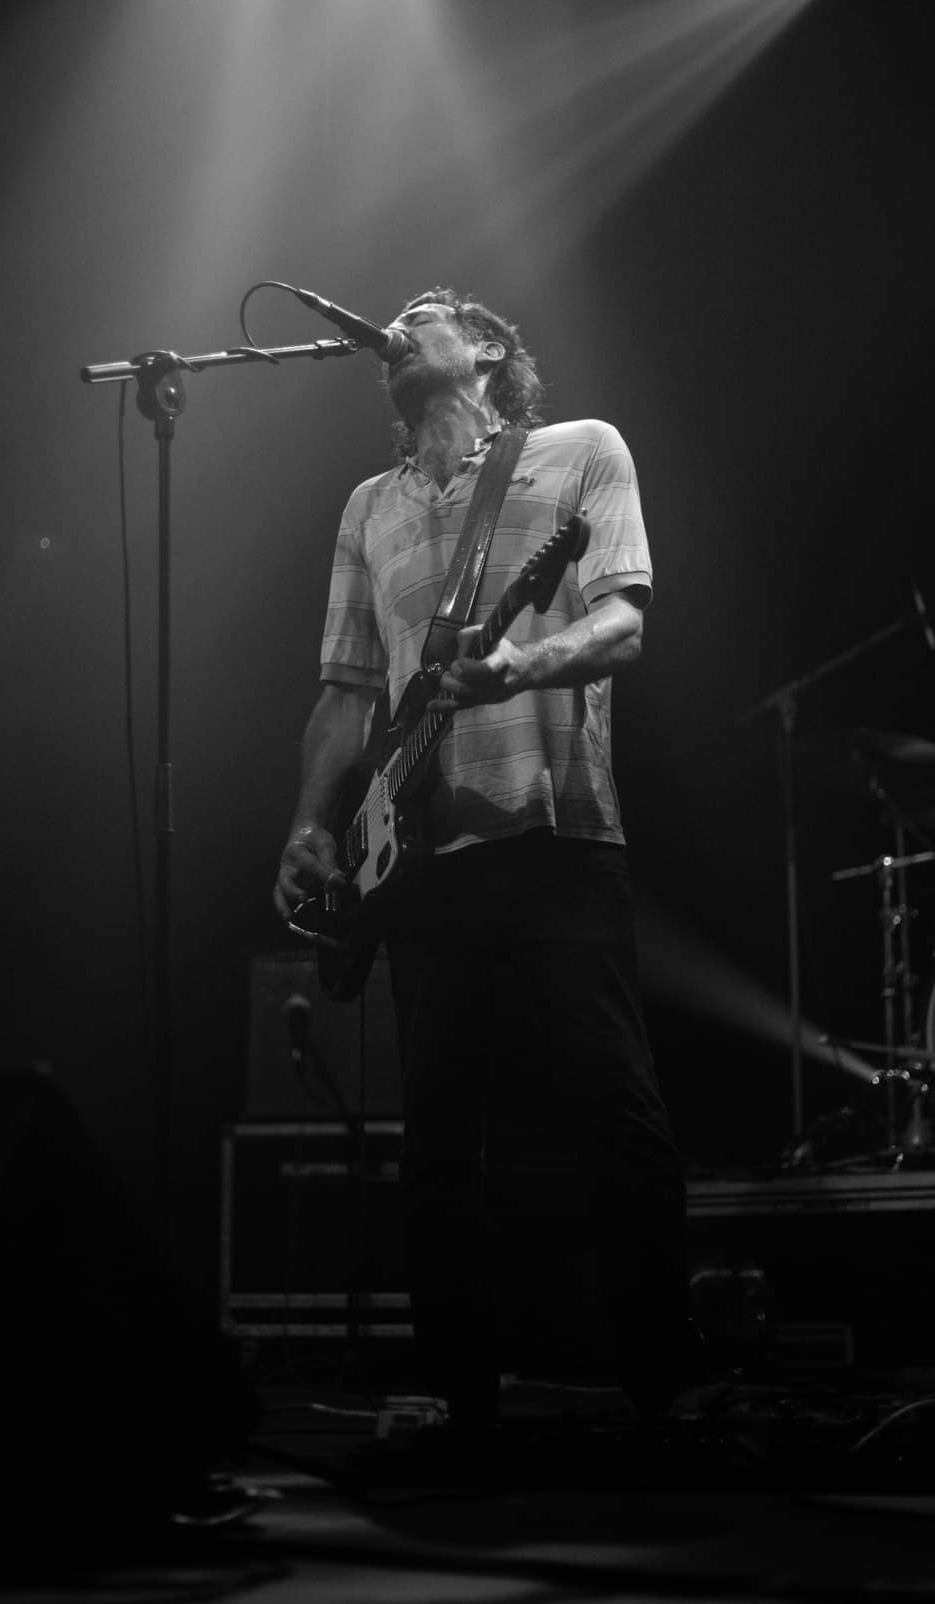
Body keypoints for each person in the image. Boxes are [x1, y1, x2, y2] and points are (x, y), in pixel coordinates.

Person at [273, 287, 698, 1431]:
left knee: (615, 1116)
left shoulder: (580, 452)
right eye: (398, 320)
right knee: (438, 1143)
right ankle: (462, 1403)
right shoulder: (367, 507)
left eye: (427, 313)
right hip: (420, 866)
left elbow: (624, 622)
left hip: (556, 836)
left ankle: (666, 1388)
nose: (401, 327)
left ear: (489, 351)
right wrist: (311, 822)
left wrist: (521, 666)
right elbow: (347, 693)